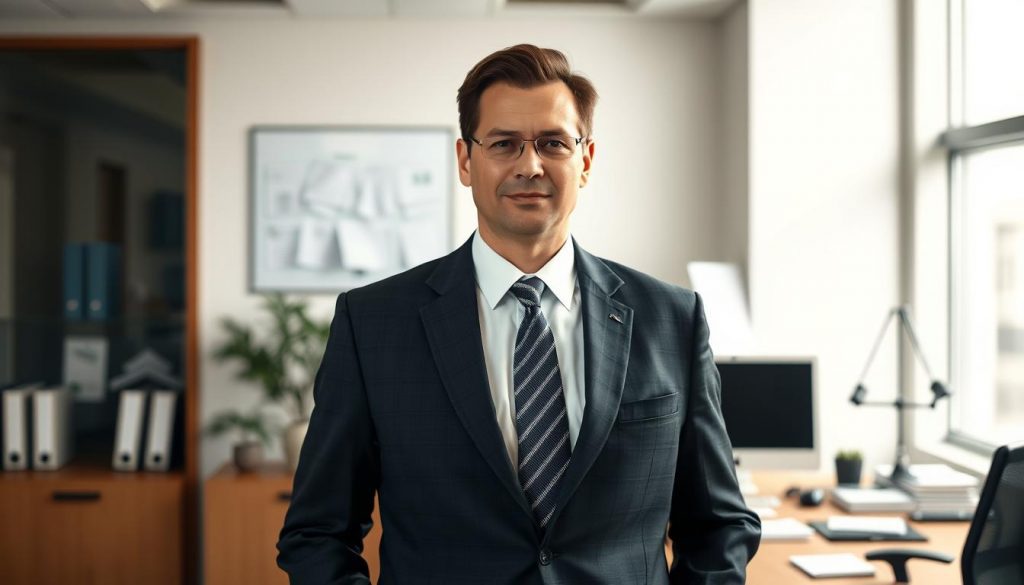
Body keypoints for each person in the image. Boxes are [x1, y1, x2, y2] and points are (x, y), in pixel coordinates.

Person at [277, 44, 760, 584]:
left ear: (587, 161)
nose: (530, 165)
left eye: (553, 143)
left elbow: (718, 525)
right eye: (504, 144)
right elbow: (318, 532)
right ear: (466, 160)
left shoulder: (672, 318)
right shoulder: (373, 324)